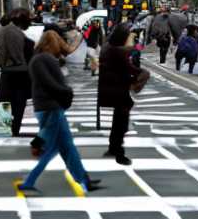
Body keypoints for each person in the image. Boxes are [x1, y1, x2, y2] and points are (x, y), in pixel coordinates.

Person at [18, 29, 102, 195]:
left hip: (47, 106)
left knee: (67, 147)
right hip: (50, 108)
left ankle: (84, 179)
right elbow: (51, 84)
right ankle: (30, 179)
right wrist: (67, 92)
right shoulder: (43, 59)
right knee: (52, 149)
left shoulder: (39, 59)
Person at [97, 21, 141, 167]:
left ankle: (113, 148)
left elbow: (134, 53)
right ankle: (118, 152)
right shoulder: (117, 50)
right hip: (117, 89)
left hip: (113, 88)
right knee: (121, 122)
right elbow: (129, 57)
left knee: (119, 120)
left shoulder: (109, 47)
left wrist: (137, 44)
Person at [0, 9, 34, 138]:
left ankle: (5, 128)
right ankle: (13, 129)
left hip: (7, 71)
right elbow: (20, 54)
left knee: (4, 100)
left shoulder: (3, 31)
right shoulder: (16, 33)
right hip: (19, 71)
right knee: (18, 103)